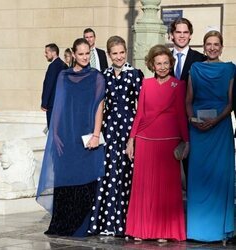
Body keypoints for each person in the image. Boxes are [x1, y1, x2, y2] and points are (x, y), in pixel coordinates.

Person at [36, 38, 106, 237]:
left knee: (85, 180)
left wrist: (95, 134)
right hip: (65, 135)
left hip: (86, 136)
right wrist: (55, 132)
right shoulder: (63, 76)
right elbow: (58, 105)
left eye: (86, 53)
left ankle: (80, 225)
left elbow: (99, 108)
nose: (84, 57)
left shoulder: (97, 77)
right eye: (80, 54)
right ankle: (62, 223)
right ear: (73, 54)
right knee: (65, 178)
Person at [125, 44, 189, 242]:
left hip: (168, 142)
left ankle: (164, 230)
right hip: (145, 141)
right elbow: (140, 114)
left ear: (171, 64)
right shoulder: (146, 84)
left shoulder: (179, 86)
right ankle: (141, 230)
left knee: (166, 189)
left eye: (165, 63)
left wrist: (186, 141)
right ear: (152, 65)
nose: (162, 67)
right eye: (158, 63)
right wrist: (131, 140)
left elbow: (181, 115)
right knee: (144, 188)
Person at [88, 36, 144, 236]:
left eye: (122, 52)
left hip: (129, 130)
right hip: (109, 130)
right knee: (109, 174)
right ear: (109, 55)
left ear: (126, 52)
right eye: (115, 53)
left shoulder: (136, 74)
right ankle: (109, 223)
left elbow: (142, 108)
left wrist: (135, 136)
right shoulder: (103, 76)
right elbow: (99, 106)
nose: (119, 57)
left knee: (128, 173)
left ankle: (128, 224)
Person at [186, 30, 235, 242]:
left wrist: (215, 121)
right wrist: (192, 119)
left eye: (216, 44)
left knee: (220, 178)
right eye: (209, 44)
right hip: (198, 131)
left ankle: (218, 230)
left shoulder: (230, 69)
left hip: (220, 129)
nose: (212, 47)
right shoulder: (195, 68)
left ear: (221, 47)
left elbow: (231, 102)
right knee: (198, 178)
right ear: (204, 46)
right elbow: (188, 100)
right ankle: (196, 230)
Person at [169, 17, 207, 185]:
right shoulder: (163, 59)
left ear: (191, 35)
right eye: (178, 32)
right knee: (168, 170)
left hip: (192, 123)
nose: (182, 36)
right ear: (172, 35)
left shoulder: (200, 59)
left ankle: (193, 208)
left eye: (185, 32)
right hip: (168, 123)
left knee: (193, 170)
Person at [41, 43, 67, 128]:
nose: (45, 55)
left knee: (52, 129)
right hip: (62, 103)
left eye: (47, 52)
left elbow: (49, 85)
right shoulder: (64, 65)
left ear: (53, 52)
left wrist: (44, 103)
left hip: (52, 104)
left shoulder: (53, 66)